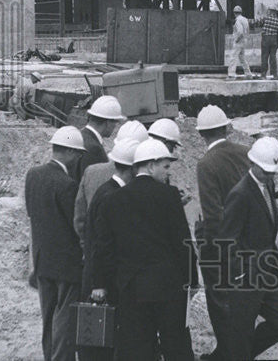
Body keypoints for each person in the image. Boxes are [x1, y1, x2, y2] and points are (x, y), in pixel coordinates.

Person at [92, 139, 199, 361]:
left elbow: (105, 247)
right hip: (168, 287)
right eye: (165, 166)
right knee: (176, 346)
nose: (167, 172)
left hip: (132, 289)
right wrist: (192, 280)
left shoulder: (114, 199)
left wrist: (102, 283)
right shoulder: (169, 196)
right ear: (150, 165)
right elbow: (182, 242)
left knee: (137, 349)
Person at [220, 136, 278, 360]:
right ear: (252, 164)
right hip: (247, 278)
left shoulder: (267, 183)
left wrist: (276, 255)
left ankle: (236, 355)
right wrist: (240, 273)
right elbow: (226, 241)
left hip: (269, 271)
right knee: (241, 334)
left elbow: (264, 226)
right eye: (267, 171)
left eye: (273, 172)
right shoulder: (240, 194)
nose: (271, 175)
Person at [194, 105, 251, 361]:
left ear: (201, 134)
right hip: (248, 240)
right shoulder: (246, 153)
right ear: (226, 128)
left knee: (219, 300)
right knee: (243, 302)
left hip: (221, 246)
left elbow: (213, 216)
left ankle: (226, 353)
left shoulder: (206, 164)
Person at [25, 126, 86, 361]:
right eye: (79, 154)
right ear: (70, 152)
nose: (80, 158)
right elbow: (76, 226)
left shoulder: (33, 174)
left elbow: (32, 213)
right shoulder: (67, 184)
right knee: (64, 322)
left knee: (48, 317)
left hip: (42, 261)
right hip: (67, 266)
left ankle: (49, 356)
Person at [79, 138, 139, 361]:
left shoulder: (107, 191)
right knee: (104, 342)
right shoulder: (112, 196)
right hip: (105, 278)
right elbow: (101, 244)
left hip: (106, 275)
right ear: (132, 168)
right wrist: (99, 283)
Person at [74, 120, 148, 246]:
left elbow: (80, 218)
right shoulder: (142, 181)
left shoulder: (91, 172)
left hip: (94, 250)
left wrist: (87, 245)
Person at [78, 95, 126, 180]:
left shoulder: (80, 136)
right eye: (116, 122)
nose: (115, 126)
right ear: (108, 123)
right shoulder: (94, 148)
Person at [228, 5, 254, 79]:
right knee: (242, 58)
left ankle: (231, 73)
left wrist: (236, 40)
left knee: (233, 57)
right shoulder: (245, 19)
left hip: (239, 41)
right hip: (244, 41)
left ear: (234, 13)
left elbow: (240, 31)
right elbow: (247, 30)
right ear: (241, 12)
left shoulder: (238, 20)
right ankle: (248, 73)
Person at [259, 7, 278, 80]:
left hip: (265, 39)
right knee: (273, 57)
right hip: (274, 39)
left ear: (271, 12)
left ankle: (263, 74)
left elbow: (260, 25)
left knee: (264, 57)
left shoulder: (266, 19)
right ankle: (274, 74)